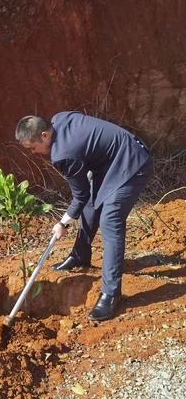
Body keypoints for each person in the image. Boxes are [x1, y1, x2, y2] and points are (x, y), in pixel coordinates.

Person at [15, 111, 153, 321]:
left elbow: (80, 196)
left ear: (45, 135)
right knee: (91, 206)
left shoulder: (64, 155)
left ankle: (111, 294)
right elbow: (85, 198)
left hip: (131, 163)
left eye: (33, 148)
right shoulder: (59, 119)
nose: (34, 153)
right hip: (109, 162)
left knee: (110, 219)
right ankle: (80, 255)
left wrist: (63, 222)